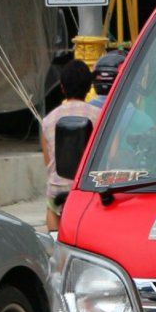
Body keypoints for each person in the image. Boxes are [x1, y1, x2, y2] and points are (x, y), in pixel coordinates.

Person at [42, 59, 102, 231]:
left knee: (52, 206)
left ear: (62, 87)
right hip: (88, 190)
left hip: (58, 190)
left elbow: (48, 162)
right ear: (89, 87)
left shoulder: (48, 120)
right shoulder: (100, 117)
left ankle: (54, 239)